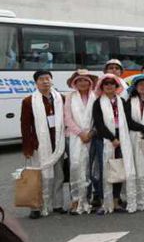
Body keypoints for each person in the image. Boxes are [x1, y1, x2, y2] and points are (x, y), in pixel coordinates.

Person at [20, 70, 66, 219]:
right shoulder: (29, 101)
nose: (45, 81)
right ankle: (36, 206)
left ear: (52, 80)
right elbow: (25, 125)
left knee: (58, 175)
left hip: (57, 142)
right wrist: (27, 147)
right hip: (39, 144)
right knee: (38, 176)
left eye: (48, 78)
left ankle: (57, 204)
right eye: (41, 79)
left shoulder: (60, 98)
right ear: (36, 82)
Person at [91, 74, 137, 214]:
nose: (109, 86)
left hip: (122, 137)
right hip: (104, 139)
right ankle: (105, 202)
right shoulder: (98, 103)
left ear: (116, 86)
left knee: (118, 168)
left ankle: (116, 202)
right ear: (102, 87)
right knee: (105, 170)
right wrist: (112, 138)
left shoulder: (122, 101)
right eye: (106, 84)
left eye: (112, 83)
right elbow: (99, 125)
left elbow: (129, 121)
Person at [64, 69, 98, 215]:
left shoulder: (96, 96)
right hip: (74, 137)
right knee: (75, 167)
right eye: (79, 80)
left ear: (90, 83)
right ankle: (75, 199)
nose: (83, 83)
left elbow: (99, 117)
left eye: (85, 80)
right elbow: (67, 118)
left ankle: (87, 199)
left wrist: (91, 133)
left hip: (91, 136)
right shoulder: (70, 97)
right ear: (75, 83)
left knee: (89, 168)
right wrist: (80, 133)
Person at [124, 75, 144, 211]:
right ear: (135, 87)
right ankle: (135, 196)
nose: (143, 87)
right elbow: (128, 121)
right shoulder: (129, 101)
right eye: (140, 84)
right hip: (133, 138)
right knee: (135, 168)